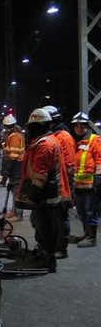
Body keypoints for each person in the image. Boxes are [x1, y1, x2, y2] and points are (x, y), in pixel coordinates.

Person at [15, 108, 72, 272]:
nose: (30, 130)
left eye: (33, 126)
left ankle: (47, 258)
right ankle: (44, 252)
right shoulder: (45, 141)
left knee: (44, 226)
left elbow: (41, 175)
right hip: (49, 192)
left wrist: (32, 195)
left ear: (42, 126)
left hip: (47, 194)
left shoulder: (45, 145)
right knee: (41, 224)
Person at [44, 105, 76, 258]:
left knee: (61, 217)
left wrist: (67, 185)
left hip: (61, 184)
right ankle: (51, 245)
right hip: (53, 184)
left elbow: (69, 164)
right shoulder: (55, 135)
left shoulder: (64, 136)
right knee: (51, 217)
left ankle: (61, 249)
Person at [68, 111, 101, 247]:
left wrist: (98, 179)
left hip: (91, 185)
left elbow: (99, 160)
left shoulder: (95, 140)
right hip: (79, 185)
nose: (79, 128)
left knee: (90, 211)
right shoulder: (78, 142)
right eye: (77, 125)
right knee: (81, 211)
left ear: (87, 126)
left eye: (82, 125)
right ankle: (86, 234)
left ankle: (91, 238)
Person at [0, 114, 26, 222]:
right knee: (14, 189)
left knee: (16, 190)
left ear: (7, 126)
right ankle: (14, 211)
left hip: (16, 165)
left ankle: (18, 214)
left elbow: (14, 154)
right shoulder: (16, 134)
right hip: (17, 164)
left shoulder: (14, 136)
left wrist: (8, 168)